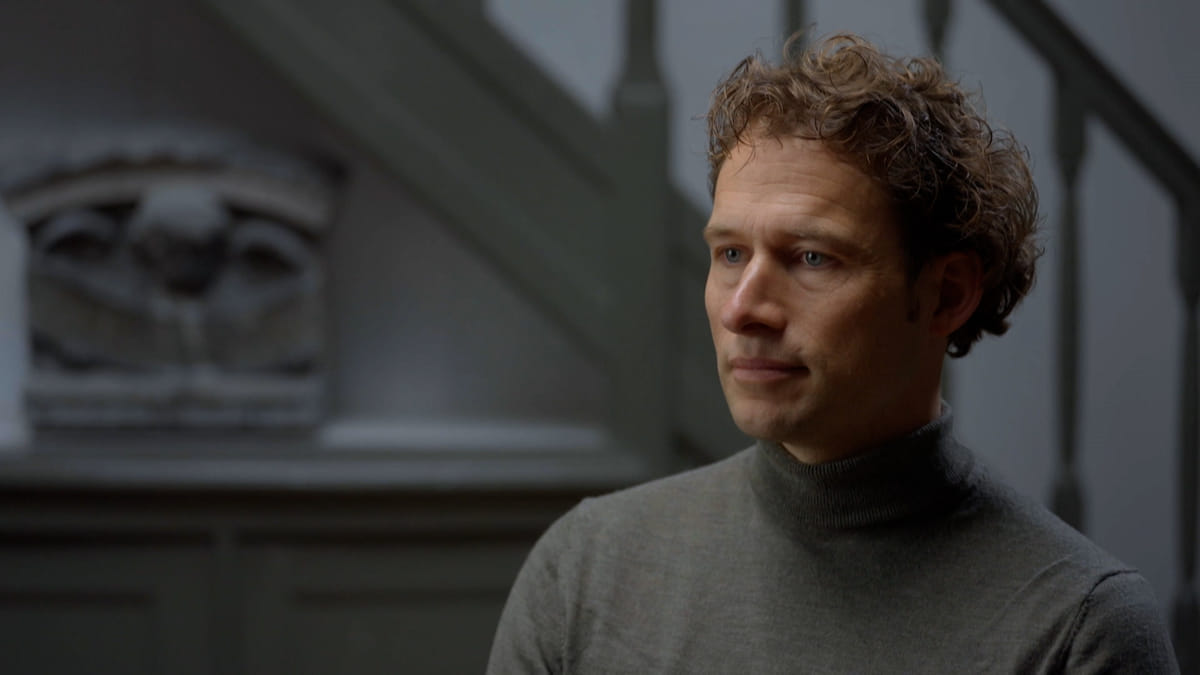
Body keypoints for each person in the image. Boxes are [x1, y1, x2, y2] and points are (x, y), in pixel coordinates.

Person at [487, 33, 1179, 673]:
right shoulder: (584, 572)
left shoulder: (1078, 628)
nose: (742, 308)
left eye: (812, 257)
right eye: (731, 254)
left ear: (947, 294)